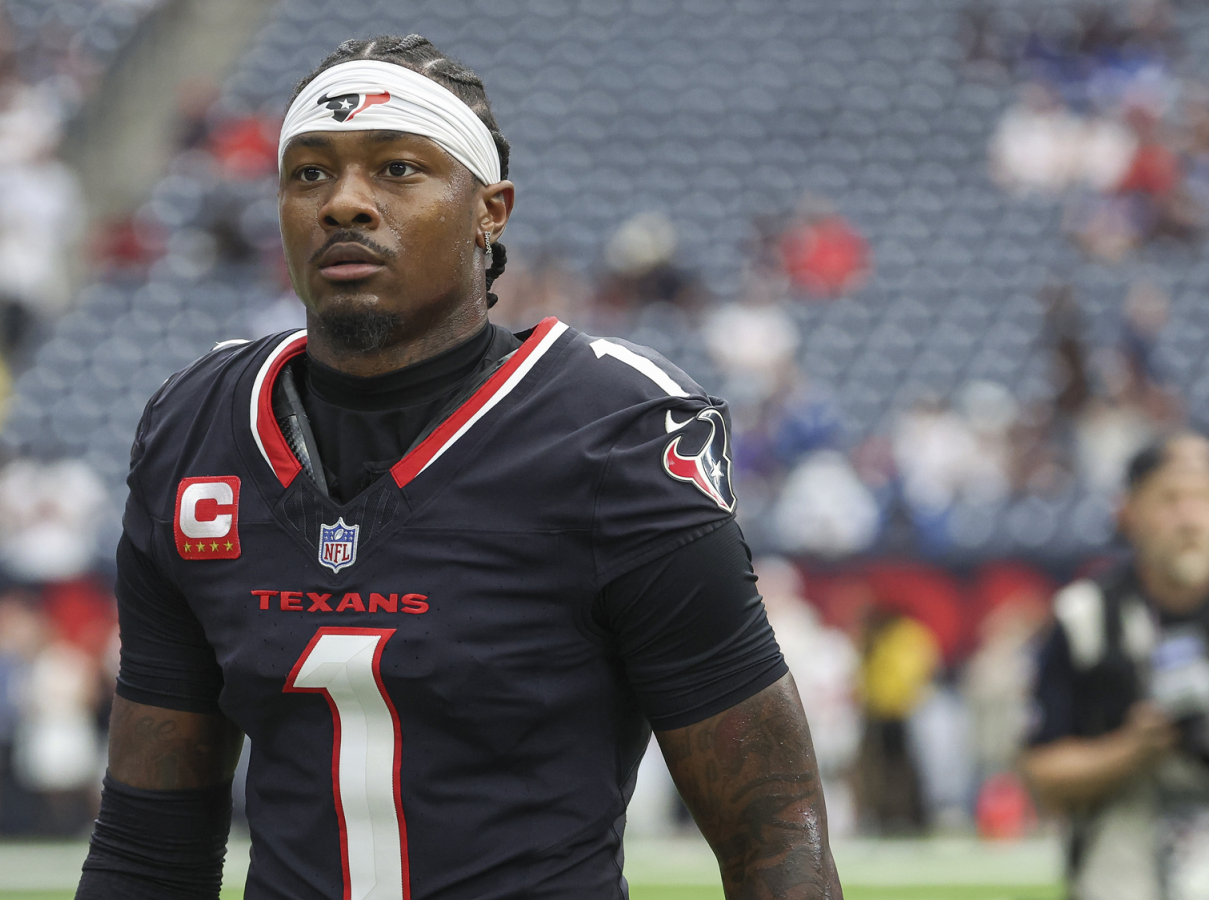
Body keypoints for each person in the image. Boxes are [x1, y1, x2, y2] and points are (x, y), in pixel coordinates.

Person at [77, 35, 841, 900]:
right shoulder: (197, 425)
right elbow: (148, 846)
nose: (344, 203)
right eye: (310, 173)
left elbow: (775, 832)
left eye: (398, 169)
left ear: (491, 212)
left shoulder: (611, 431)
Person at [1022, 434, 1209, 900]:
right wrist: (1131, 749)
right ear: (1128, 512)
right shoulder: (1084, 617)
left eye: (1204, 497)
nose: (1190, 518)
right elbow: (1042, 773)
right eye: (1170, 499)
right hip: (1120, 867)